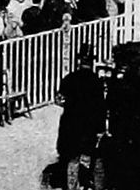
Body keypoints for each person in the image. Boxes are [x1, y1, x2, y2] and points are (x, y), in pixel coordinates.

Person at [55, 45, 106, 190]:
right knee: (93, 157)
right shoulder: (96, 82)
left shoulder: (69, 79)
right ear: (91, 62)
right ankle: (94, 185)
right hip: (89, 126)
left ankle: (71, 186)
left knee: (72, 158)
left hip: (71, 125)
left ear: (79, 61)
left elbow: (59, 100)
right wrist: (101, 128)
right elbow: (101, 107)